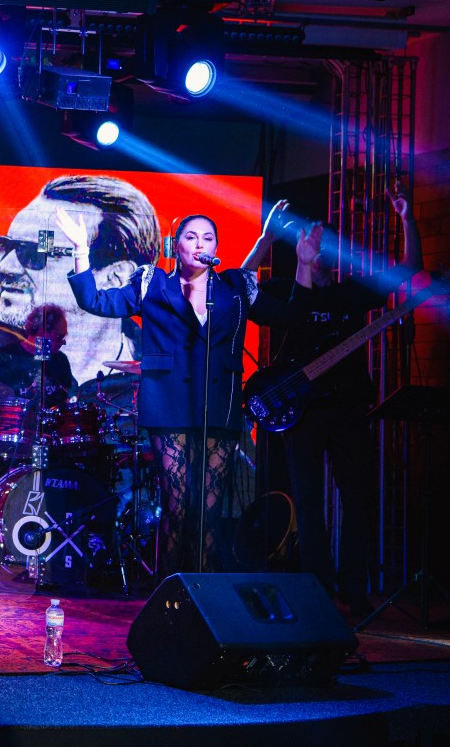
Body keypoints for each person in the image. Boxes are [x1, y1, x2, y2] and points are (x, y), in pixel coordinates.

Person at [59, 209, 316, 574]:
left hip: (219, 403)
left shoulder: (236, 287)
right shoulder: (152, 283)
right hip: (168, 403)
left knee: (208, 511)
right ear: (176, 246)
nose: (199, 244)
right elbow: (96, 301)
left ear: (216, 247)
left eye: (207, 238)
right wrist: (81, 250)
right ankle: (168, 591)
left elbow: (292, 316)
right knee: (178, 507)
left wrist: (304, 264)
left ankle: (199, 592)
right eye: (191, 237)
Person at [243, 188, 422, 617]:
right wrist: (266, 239)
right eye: (311, 241)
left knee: (358, 498)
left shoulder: (352, 294)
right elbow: (237, 288)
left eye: (325, 244)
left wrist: (407, 219)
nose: (318, 249)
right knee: (307, 501)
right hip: (299, 410)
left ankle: (354, 589)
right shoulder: (286, 291)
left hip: (348, 408)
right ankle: (317, 589)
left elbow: (410, 269)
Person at [0, 174, 162, 385]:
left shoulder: (160, 364)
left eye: (34, 254)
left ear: (116, 277)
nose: (5, 267)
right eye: (6, 246)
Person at [0, 302, 76, 406]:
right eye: (59, 337)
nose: (63, 343)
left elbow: (66, 399)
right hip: (13, 415)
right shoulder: (5, 357)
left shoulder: (60, 360)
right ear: (42, 332)